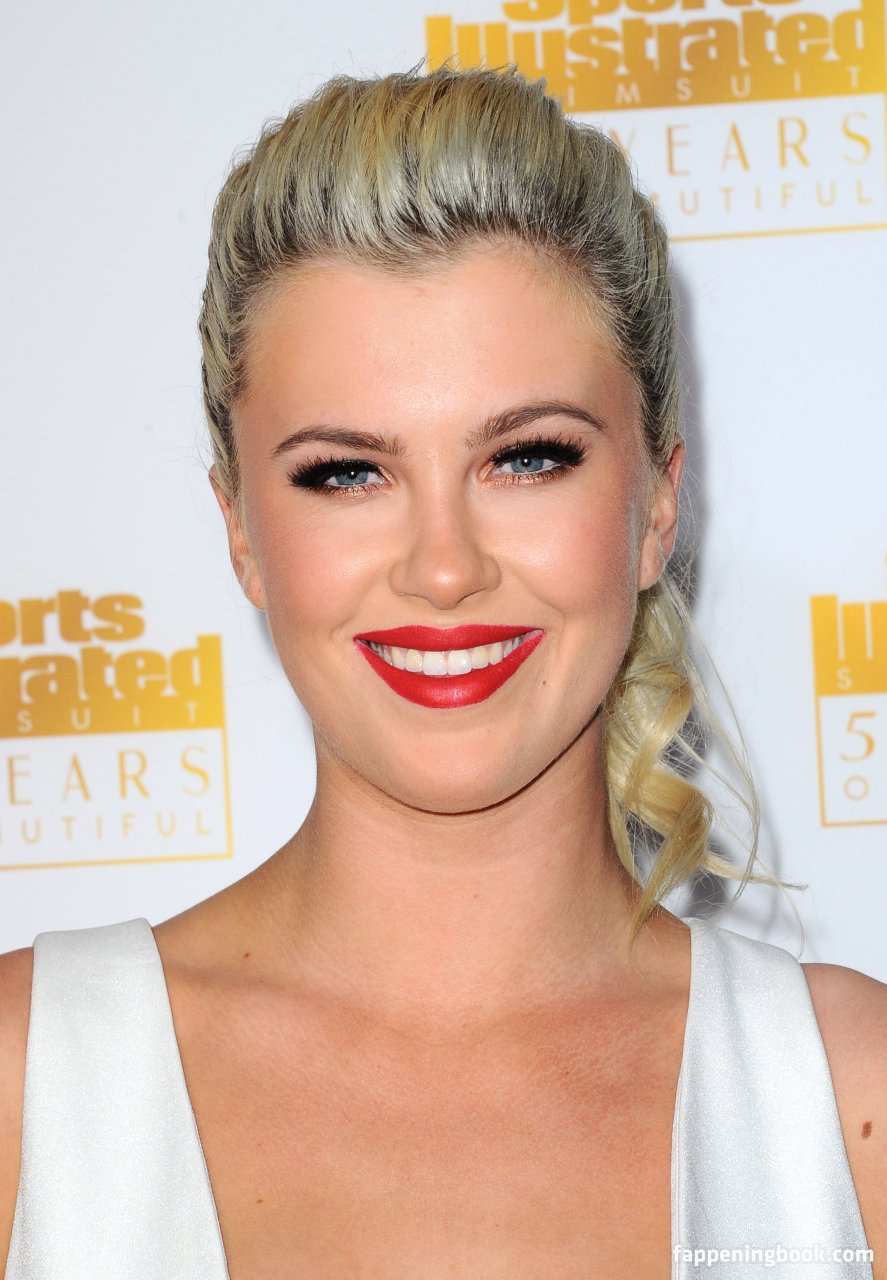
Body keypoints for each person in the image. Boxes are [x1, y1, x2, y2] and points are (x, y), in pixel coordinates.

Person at [0, 64, 885, 1280]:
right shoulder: (29, 1088)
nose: (444, 566)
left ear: (654, 503)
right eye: (345, 472)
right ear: (240, 528)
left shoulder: (845, 1103)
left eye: (526, 457)